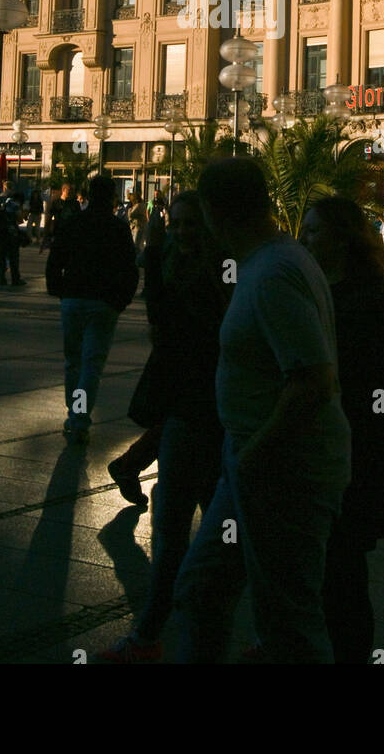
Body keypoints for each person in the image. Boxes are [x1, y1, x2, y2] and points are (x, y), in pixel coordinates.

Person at [173, 158, 351, 665]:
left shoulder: (273, 272)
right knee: (203, 589)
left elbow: (313, 380)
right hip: (254, 464)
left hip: (281, 470)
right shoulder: (273, 261)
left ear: (212, 211)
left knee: (288, 623)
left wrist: (252, 457)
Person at [97, 192, 229, 663]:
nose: (182, 232)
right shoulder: (172, 263)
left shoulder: (219, 271)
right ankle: (152, 632)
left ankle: (160, 632)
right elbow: (161, 326)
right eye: (175, 224)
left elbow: (190, 328)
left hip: (211, 410)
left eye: (191, 224)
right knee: (176, 524)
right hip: (185, 406)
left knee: (201, 525)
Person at [299, 198, 384, 664]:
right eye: (303, 232)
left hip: (356, 458)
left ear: (342, 239)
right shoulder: (337, 292)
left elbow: (362, 393)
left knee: (341, 575)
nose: (303, 240)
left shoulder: (363, 301)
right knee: (335, 571)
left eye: (313, 232)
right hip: (345, 454)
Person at [46, 175, 139, 444]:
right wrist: (121, 300)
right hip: (103, 302)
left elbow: (56, 258)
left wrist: (59, 289)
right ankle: (79, 418)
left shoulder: (74, 222)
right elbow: (129, 269)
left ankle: (74, 413)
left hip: (73, 298)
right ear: (111, 197)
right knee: (91, 365)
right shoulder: (117, 228)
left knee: (73, 362)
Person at [0, 181, 25, 287]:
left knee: (1, 256)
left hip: (0, 231)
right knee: (13, 256)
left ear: (3, 188)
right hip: (11, 232)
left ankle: (2, 279)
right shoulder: (13, 202)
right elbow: (20, 218)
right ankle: (15, 279)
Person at [42, 182, 80, 250]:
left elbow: (78, 219)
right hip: (58, 233)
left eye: (72, 191)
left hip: (71, 234)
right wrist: (46, 236)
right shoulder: (56, 202)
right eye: (69, 191)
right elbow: (49, 218)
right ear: (63, 190)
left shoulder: (75, 203)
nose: (71, 193)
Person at [128, 186, 148, 255]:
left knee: (136, 245)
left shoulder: (138, 206)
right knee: (140, 245)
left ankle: (137, 259)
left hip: (137, 227)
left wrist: (130, 209)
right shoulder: (143, 205)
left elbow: (130, 215)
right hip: (141, 227)